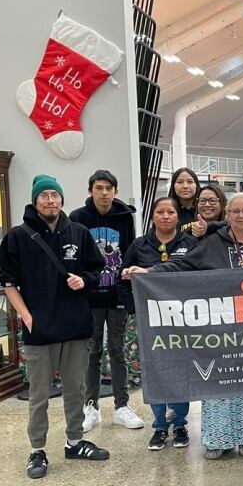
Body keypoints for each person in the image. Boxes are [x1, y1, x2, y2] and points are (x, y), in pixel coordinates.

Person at [127, 193, 243, 459]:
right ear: (227, 216)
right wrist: (149, 273)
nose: (241, 216)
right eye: (235, 211)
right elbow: (183, 264)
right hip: (222, 329)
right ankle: (220, 438)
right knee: (221, 382)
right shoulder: (212, 243)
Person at [0, 174, 108, 479]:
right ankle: (38, 450)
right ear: (35, 200)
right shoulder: (17, 237)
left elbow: (97, 269)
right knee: (40, 394)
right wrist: (25, 316)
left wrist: (84, 279)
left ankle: (74, 441)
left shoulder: (79, 232)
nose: (50, 201)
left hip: (75, 326)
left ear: (61, 199)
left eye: (55, 195)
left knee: (76, 388)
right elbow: (6, 281)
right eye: (44, 195)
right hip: (39, 330)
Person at [118, 197, 197, 449]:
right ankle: (160, 425)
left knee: (179, 370)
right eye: (160, 212)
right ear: (152, 216)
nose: (165, 216)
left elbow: (197, 275)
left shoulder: (190, 243)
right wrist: (134, 309)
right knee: (155, 370)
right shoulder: (139, 245)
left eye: (170, 212)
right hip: (149, 321)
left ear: (177, 216)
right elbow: (122, 279)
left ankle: (181, 424)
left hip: (181, 321)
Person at [69, 169, 144, 433]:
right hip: (88, 296)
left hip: (116, 294)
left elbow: (131, 250)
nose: (104, 193)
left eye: (109, 188)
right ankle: (91, 406)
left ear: (115, 191)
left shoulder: (125, 217)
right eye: (99, 188)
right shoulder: (77, 218)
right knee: (92, 352)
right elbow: (73, 254)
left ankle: (121, 406)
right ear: (90, 191)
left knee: (117, 349)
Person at [168, 167, 201, 232]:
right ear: (173, 186)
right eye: (180, 182)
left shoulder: (206, 209)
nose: (185, 186)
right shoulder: (167, 212)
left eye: (190, 182)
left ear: (196, 185)